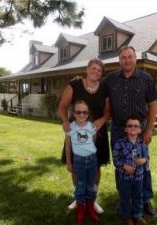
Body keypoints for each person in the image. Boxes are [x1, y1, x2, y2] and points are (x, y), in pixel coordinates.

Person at [104, 46, 157, 217]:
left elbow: (153, 105)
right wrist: (78, 80)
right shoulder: (110, 79)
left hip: (139, 130)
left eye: (130, 57)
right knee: (121, 165)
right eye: (123, 57)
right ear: (119, 60)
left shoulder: (146, 78)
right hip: (119, 130)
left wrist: (149, 130)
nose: (127, 60)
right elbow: (93, 85)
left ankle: (145, 200)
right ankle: (124, 199)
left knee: (143, 164)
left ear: (135, 58)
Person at [58, 58, 110, 213]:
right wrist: (65, 121)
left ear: (101, 74)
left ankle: (92, 199)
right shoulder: (74, 85)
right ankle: (79, 198)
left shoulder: (104, 88)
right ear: (87, 69)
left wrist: (102, 119)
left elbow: (108, 111)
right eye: (93, 68)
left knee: (96, 167)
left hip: (97, 133)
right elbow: (62, 107)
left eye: (99, 70)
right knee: (76, 166)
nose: (96, 72)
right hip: (77, 133)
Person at [65, 100, 99, 225]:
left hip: (92, 160)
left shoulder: (91, 126)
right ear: (73, 113)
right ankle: (80, 210)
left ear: (88, 113)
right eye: (78, 112)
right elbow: (68, 147)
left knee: (91, 186)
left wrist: (90, 154)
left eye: (84, 112)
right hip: (78, 161)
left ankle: (90, 208)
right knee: (80, 187)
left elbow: (93, 141)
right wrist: (69, 163)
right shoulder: (70, 127)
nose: (82, 115)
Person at [113, 117, 148, 225]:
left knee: (138, 196)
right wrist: (124, 166)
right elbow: (115, 159)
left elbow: (147, 157)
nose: (133, 128)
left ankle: (137, 215)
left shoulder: (142, 143)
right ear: (126, 129)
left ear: (140, 130)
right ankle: (126, 217)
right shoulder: (120, 143)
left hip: (139, 177)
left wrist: (143, 160)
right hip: (124, 178)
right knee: (125, 197)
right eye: (130, 126)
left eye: (136, 126)